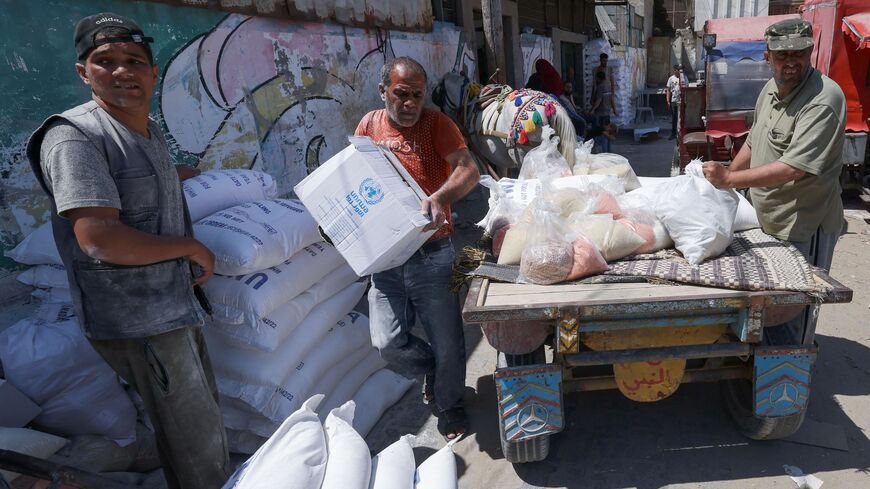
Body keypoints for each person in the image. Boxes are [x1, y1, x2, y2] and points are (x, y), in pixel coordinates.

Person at [26, 13, 230, 489]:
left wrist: (182, 177)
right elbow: (98, 237)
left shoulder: (147, 131)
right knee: (195, 439)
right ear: (83, 72)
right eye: (106, 62)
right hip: (138, 317)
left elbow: (135, 185)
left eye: (135, 61)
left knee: (197, 422)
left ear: (153, 72)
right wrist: (191, 246)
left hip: (170, 303)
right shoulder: (75, 137)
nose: (123, 72)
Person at [354, 57, 480, 439]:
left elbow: (468, 169)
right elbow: (354, 178)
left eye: (418, 96)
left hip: (433, 254)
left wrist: (440, 197)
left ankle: (451, 403)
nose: (410, 104)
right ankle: (433, 370)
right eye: (401, 94)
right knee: (387, 343)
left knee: (448, 339)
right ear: (383, 91)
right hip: (387, 257)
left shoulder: (436, 124)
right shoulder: (369, 126)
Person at [702, 19, 846, 346]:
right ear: (768, 56)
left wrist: (729, 179)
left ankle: (790, 373)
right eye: (782, 55)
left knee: (796, 307)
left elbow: (794, 168)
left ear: (811, 52)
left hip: (805, 223)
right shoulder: (770, 90)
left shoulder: (824, 99)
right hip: (767, 218)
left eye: (799, 53)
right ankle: (764, 355)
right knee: (769, 303)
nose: (790, 61)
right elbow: (755, 142)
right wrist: (728, 181)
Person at [591, 71, 618, 152]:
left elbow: (599, 100)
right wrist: (614, 109)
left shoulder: (600, 87)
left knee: (602, 134)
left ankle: (605, 152)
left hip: (600, 113)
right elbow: (612, 98)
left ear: (598, 78)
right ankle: (607, 153)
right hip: (607, 112)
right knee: (606, 134)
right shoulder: (609, 86)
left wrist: (592, 109)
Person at [666, 64, 688, 140]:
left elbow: (687, 89)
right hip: (674, 101)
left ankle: (682, 134)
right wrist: (668, 100)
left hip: (682, 101)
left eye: (681, 70)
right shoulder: (671, 79)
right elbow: (668, 90)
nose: (680, 71)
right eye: (679, 70)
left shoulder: (684, 78)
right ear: (675, 70)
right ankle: (673, 133)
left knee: (682, 117)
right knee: (674, 118)